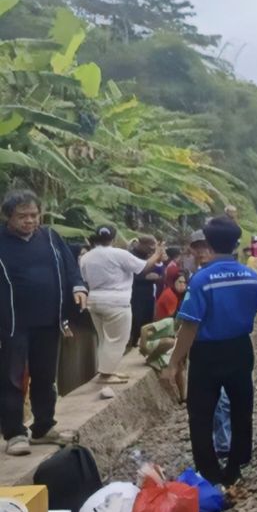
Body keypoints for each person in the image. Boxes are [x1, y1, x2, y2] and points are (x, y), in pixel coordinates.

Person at [163, 217, 257, 491]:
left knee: (201, 411)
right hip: (241, 347)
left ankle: (209, 471)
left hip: (207, 352)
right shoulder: (251, 276)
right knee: (242, 406)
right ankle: (236, 464)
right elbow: (254, 309)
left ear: (208, 243)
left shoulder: (202, 279)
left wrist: (174, 363)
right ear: (236, 243)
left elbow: (190, 324)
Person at [0, 190, 88, 456]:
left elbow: (71, 267)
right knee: (12, 379)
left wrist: (78, 287)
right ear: (8, 217)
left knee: (45, 376)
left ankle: (43, 427)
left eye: (33, 215)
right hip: (12, 323)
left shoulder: (50, 237)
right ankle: (15, 433)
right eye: (22, 216)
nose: (29, 221)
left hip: (49, 320)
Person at [79, 225, 165, 397]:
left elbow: (84, 278)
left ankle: (107, 371)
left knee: (104, 338)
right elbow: (143, 267)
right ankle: (106, 374)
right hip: (116, 301)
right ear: (113, 238)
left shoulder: (86, 257)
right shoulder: (119, 254)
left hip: (95, 300)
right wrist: (157, 254)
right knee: (118, 339)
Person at [186, 230, 231, 461]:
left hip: (217, 342)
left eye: (206, 246)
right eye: (198, 246)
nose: (202, 251)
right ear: (191, 249)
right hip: (204, 343)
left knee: (220, 397)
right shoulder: (194, 274)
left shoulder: (209, 276)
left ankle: (223, 444)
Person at [127, 234, 163, 348]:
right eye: (150, 248)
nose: (151, 251)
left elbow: (159, 271)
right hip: (136, 292)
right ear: (141, 245)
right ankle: (132, 342)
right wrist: (145, 277)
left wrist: (157, 276)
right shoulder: (130, 256)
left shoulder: (148, 256)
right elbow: (132, 275)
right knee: (136, 318)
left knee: (147, 318)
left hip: (148, 292)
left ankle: (144, 342)